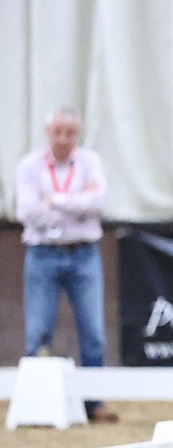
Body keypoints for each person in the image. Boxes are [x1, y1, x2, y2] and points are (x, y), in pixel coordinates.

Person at [15, 108, 119, 423]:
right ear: (48, 133)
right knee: (38, 332)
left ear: (76, 134)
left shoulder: (91, 162)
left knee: (94, 333)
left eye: (69, 132)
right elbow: (28, 212)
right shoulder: (29, 166)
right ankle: (37, 404)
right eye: (57, 131)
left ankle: (93, 403)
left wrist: (54, 201)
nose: (62, 138)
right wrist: (76, 204)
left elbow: (98, 203)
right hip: (42, 254)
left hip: (84, 254)